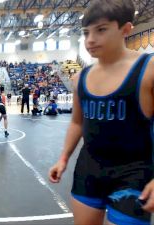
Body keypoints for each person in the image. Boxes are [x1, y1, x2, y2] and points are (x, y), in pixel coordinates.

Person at [48, 1, 154, 224]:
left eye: (101, 30)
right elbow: (77, 122)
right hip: (90, 169)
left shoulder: (148, 70)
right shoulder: (80, 79)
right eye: (86, 32)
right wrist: (63, 158)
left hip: (134, 173)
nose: (90, 40)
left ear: (126, 29)